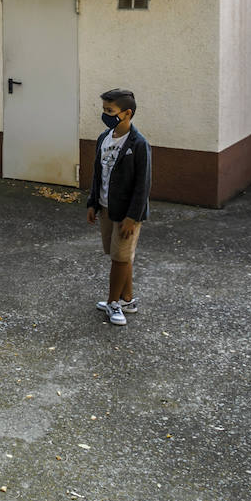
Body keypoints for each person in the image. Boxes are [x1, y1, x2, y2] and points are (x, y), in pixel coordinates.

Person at [86, 88, 151, 327]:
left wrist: (133, 217)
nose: (105, 115)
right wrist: (93, 203)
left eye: (110, 111)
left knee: (119, 258)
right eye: (104, 110)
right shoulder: (104, 138)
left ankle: (114, 302)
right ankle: (128, 299)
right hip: (106, 207)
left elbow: (143, 185)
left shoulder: (139, 144)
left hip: (127, 213)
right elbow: (97, 173)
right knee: (121, 257)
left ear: (127, 113)